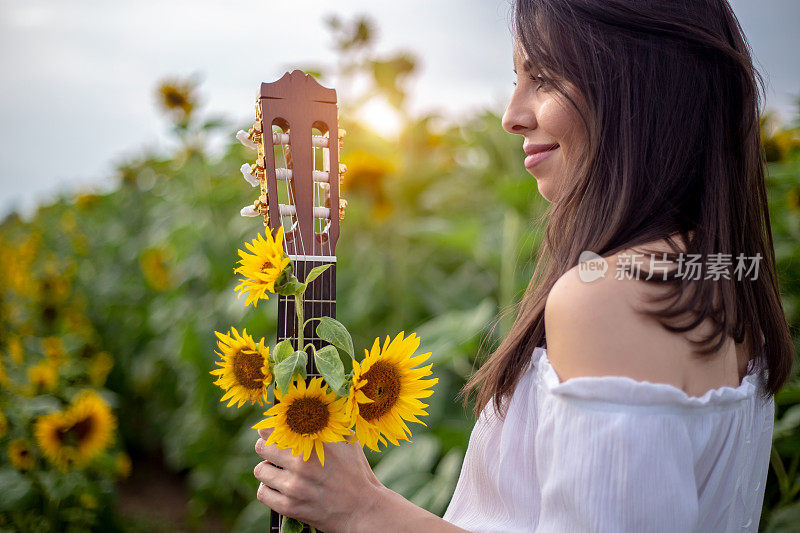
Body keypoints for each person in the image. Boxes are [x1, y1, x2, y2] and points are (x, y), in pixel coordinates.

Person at [251, 0, 795, 531]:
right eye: (516, 77)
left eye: (546, 76)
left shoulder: (613, 299)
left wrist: (365, 509)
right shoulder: (723, 277)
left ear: (640, 85)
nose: (512, 115)